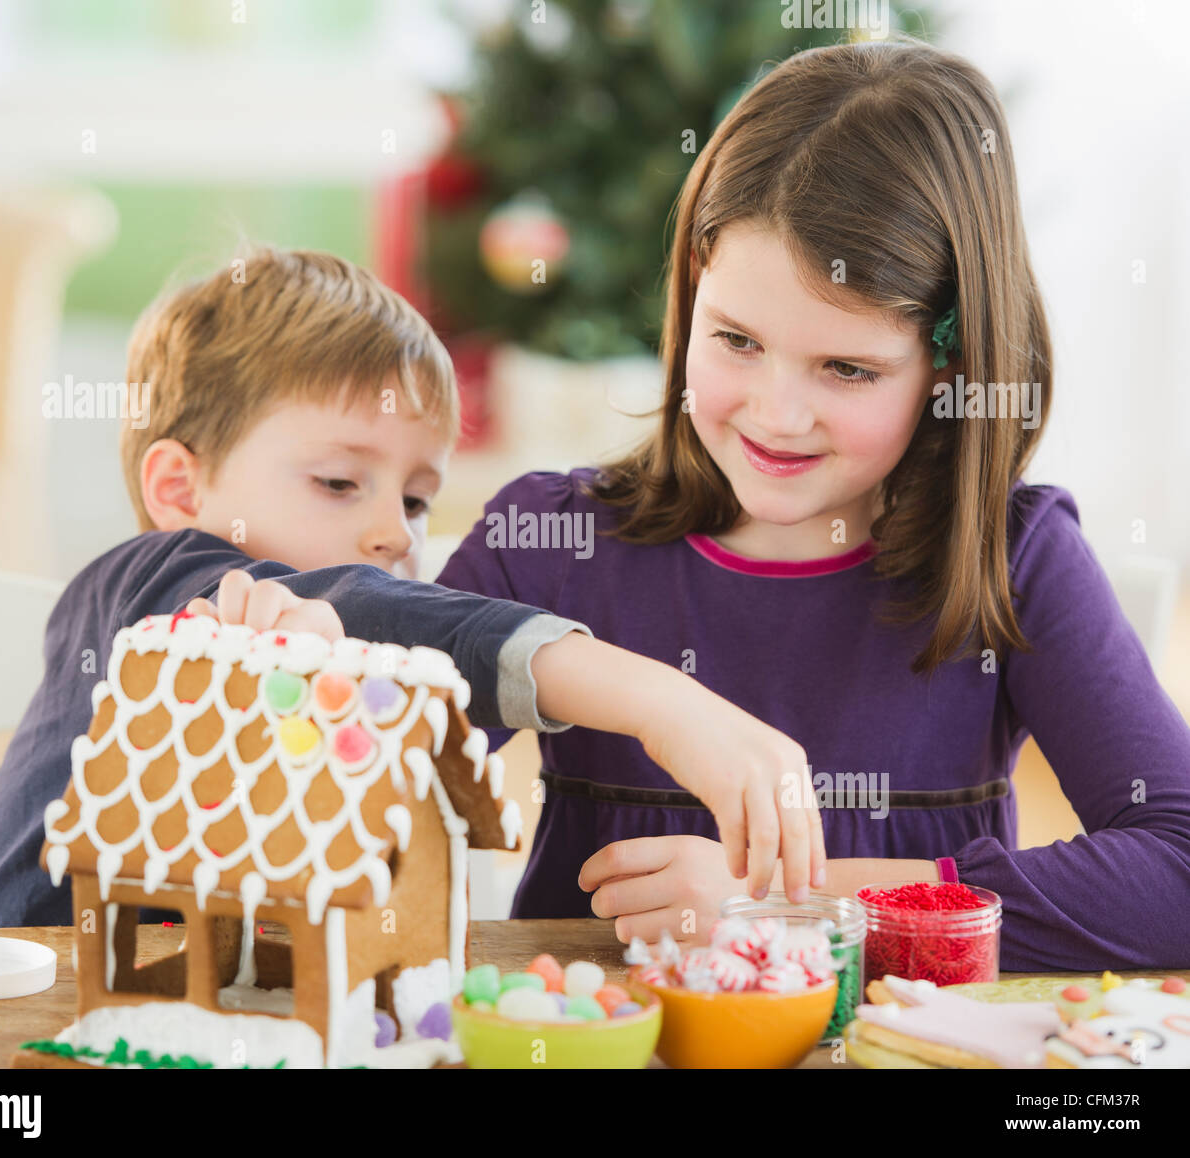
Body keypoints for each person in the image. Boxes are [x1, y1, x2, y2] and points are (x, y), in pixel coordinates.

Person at [435, 38, 1190, 970]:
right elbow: (337, 723)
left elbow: (1178, 873)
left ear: (948, 367)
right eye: (736, 340)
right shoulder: (552, 541)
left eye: (847, 368)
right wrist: (651, 698)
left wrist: (798, 906)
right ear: (694, 283)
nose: (777, 416)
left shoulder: (1013, 561)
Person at [0, 247, 824, 928]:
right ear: (181, 490)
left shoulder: (320, 685)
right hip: (18, 1005)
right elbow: (380, 615)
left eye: (416, 499)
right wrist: (662, 703)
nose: (396, 533)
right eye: (340, 482)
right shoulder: (154, 581)